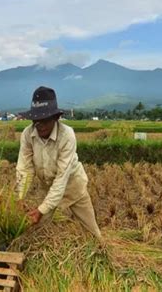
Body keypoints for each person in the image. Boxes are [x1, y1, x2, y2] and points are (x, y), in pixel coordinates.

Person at [15, 86, 102, 239]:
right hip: (48, 187)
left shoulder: (66, 135)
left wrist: (42, 209)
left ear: (55, 118)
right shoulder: (28, 135)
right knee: (38, 233)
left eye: (45, 120)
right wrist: (20, 197)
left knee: (92, 233)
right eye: (36, 120)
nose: (39, 124)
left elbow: (62, 178)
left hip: (73, 185)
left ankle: (102, 253)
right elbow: (25, 169)